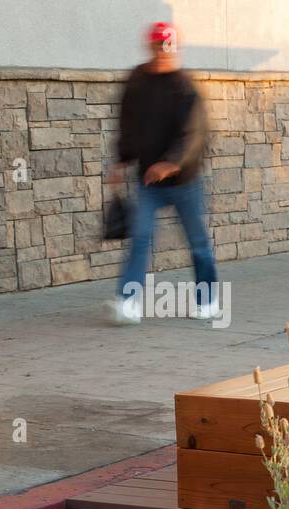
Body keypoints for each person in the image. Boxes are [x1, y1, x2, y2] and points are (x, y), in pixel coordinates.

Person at [107, 22, 218, 325]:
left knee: (197, 242)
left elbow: (194, 133)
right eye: (158, 48)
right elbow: (128, 123)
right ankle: (128, 301)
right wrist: (120, 160)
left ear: (175, 50)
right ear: (151, 47)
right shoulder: (137, 80)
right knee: (140, 237)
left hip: (184, 180)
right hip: (148, 181)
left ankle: (207, 300)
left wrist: (172, 162)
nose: (163, 55)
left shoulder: (185, 87)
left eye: (169, 49)